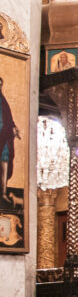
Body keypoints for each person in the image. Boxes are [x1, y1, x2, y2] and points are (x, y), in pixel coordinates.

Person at [0, 77, 19, 206]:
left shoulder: (3, 101)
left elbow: (9, 117)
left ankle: (3, 193)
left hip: (5, 136)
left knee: (5, 162)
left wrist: (13, 127)